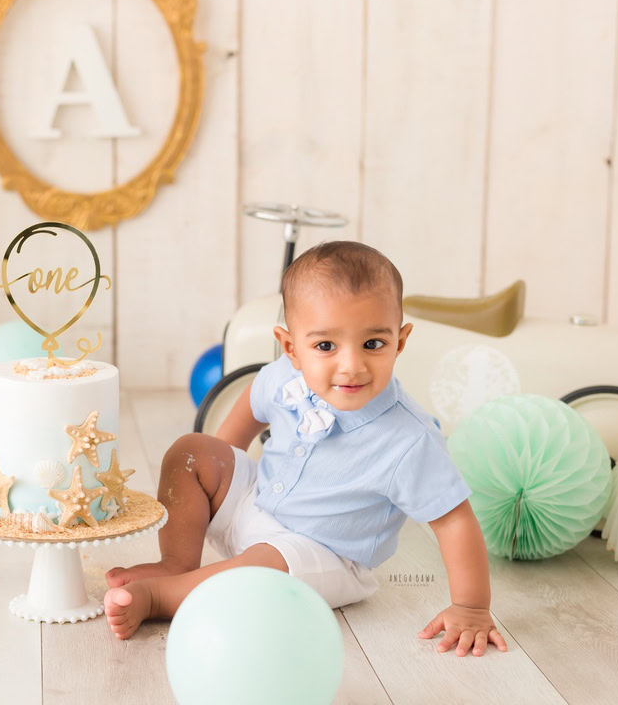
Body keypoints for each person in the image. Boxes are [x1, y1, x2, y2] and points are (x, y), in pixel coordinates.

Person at [104, 241, 508, 657]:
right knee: (191, 450)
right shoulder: (283, 377)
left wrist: (471, 606)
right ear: (291, 347)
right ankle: (177, 562)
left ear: (400, 342)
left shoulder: (409, 439)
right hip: (257, 504)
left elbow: (454, 522)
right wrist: (218, 473)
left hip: (322, 555)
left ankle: (163, 597)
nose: (351, 365)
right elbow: (250, 407)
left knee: (265, 568)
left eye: (373, 344)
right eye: (326, 346)